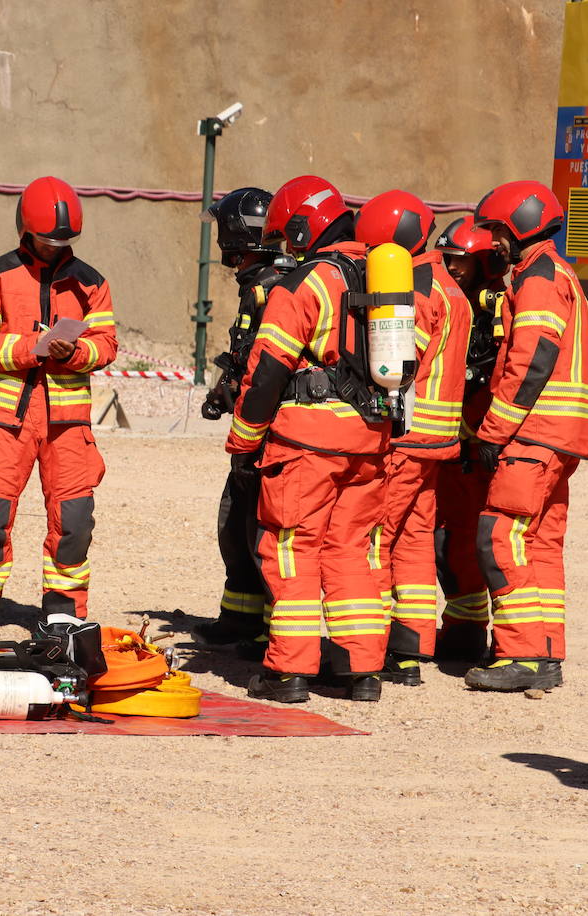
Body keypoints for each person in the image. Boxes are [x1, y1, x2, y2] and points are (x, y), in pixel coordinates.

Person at [226, 175, 390, 703]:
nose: (286, 246)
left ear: (302, 226)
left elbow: (267, 370)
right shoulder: (383, 277)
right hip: (370, 440)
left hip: (308, 444)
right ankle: (359, 671)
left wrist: (244, 440)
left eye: (287, 235)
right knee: (353, 552)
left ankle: (288, 673)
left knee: (293, 549)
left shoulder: (304, 283)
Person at [0, 176, 117, 621]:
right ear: (26, 229)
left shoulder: (91, 282)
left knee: (75, 524)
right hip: (4, 422)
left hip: (67, 427)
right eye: (47, 240)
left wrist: (77, 351)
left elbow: (106, 344)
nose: (55, 247)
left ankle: (64, 618)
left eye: (63, 241)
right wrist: (32, 348)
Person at [465, 180, 587, 691]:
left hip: (534, 433)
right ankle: (547, 651)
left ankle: (522, 654)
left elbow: (531, 359)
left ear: (523, 223)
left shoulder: (537, 277)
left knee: (498, 537)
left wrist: (493, 430)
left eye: (496, 230)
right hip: (561, 434)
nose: (492, 241)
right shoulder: (561, 274)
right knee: (538, 544)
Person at [354, 190, 471, 686]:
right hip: (438, 439)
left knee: (377, 535)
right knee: (416, 537)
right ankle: (415, 640)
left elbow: (398, 365)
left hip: (406, 436)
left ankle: (379, 645)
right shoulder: (449, 285)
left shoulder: (417, 290)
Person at [193, 187, 288, 653]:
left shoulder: (274, 288)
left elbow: (269, 364)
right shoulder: (260, 283)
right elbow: (247, 355)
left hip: (268, 432)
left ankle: (275, 631)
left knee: (259, 530)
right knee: (236, 524)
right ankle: (240, 616)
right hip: (254, 424)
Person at [431, 216, 508, 662]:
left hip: (484, 440)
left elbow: (502, 361)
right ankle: (463, 629)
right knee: (450, 539)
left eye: (461, 261)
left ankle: (505, 640)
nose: (452, 267)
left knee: (484, 539)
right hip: (457, 441)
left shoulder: (496, 302)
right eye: (448, 259)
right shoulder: (450, 298)